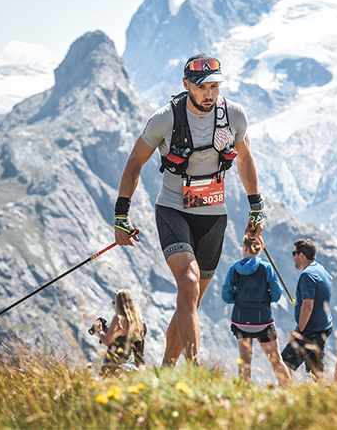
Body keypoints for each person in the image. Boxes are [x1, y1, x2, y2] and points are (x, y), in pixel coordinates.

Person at [113, 54, 264, 365]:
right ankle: (194, 370)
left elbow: (246, 161)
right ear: (186, 85)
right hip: (173, 208)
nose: (209, 94)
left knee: (190, 299)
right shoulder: (165, 118)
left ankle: (167, 370)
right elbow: (134, 163)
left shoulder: (234, 115)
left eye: (214, 86)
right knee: (189, 281)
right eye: (202, 87)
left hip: (213, 214)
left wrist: (256, 209)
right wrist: (121, 215)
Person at [222, 236, 291, 386]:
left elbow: (226, 295)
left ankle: (244, 394)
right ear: (259, 249)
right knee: (276, 360)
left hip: (240, 321)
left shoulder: (234, 269)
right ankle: (289, 392)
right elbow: (277, 294)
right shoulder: (266, 268)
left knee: (245, 361)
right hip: (263, 322)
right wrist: (265, 300)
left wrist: (238, 300)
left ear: (245, 248)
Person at [280, 239, 333, 382]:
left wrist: (299, 331)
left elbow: (307, 306)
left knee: (284, 364)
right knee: (315, 369)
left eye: (294, 253)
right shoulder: (320, 269)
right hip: (324, 326)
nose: (293, 257)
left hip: (310, 329)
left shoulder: (306, 275)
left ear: (302, 255)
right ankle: (323, 396)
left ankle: (286, 398)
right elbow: (330, 279)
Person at [91, 289, 146, 374]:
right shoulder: (138, 320)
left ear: (119, 303)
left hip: (113, 364)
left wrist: (99, 329)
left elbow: (107, 341)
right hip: (129, 363)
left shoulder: (118, 319)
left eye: (115, 302)